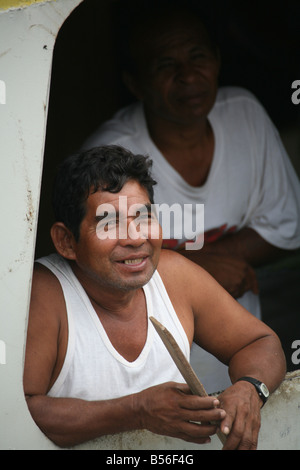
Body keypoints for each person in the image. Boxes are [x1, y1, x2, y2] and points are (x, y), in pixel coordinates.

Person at [81, 2, 300, 392]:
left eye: (197, 56)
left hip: (237, 369)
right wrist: (200, 267)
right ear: (135, 83)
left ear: (216, 60)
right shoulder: (109, 154)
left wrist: (211, 261)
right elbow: (92, 263)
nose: (187, 76)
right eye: (166, 65)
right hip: (145, 384)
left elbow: (286, 226)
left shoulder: (244, 115)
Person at [24, 145, 286, 450]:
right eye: (109, 223)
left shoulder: (175, 276)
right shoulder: (44, 295)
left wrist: (250, 389)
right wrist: (137, 411)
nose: (136, 238)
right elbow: (18, 411)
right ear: (66, 241)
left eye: (144, 217)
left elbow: (260, 342)